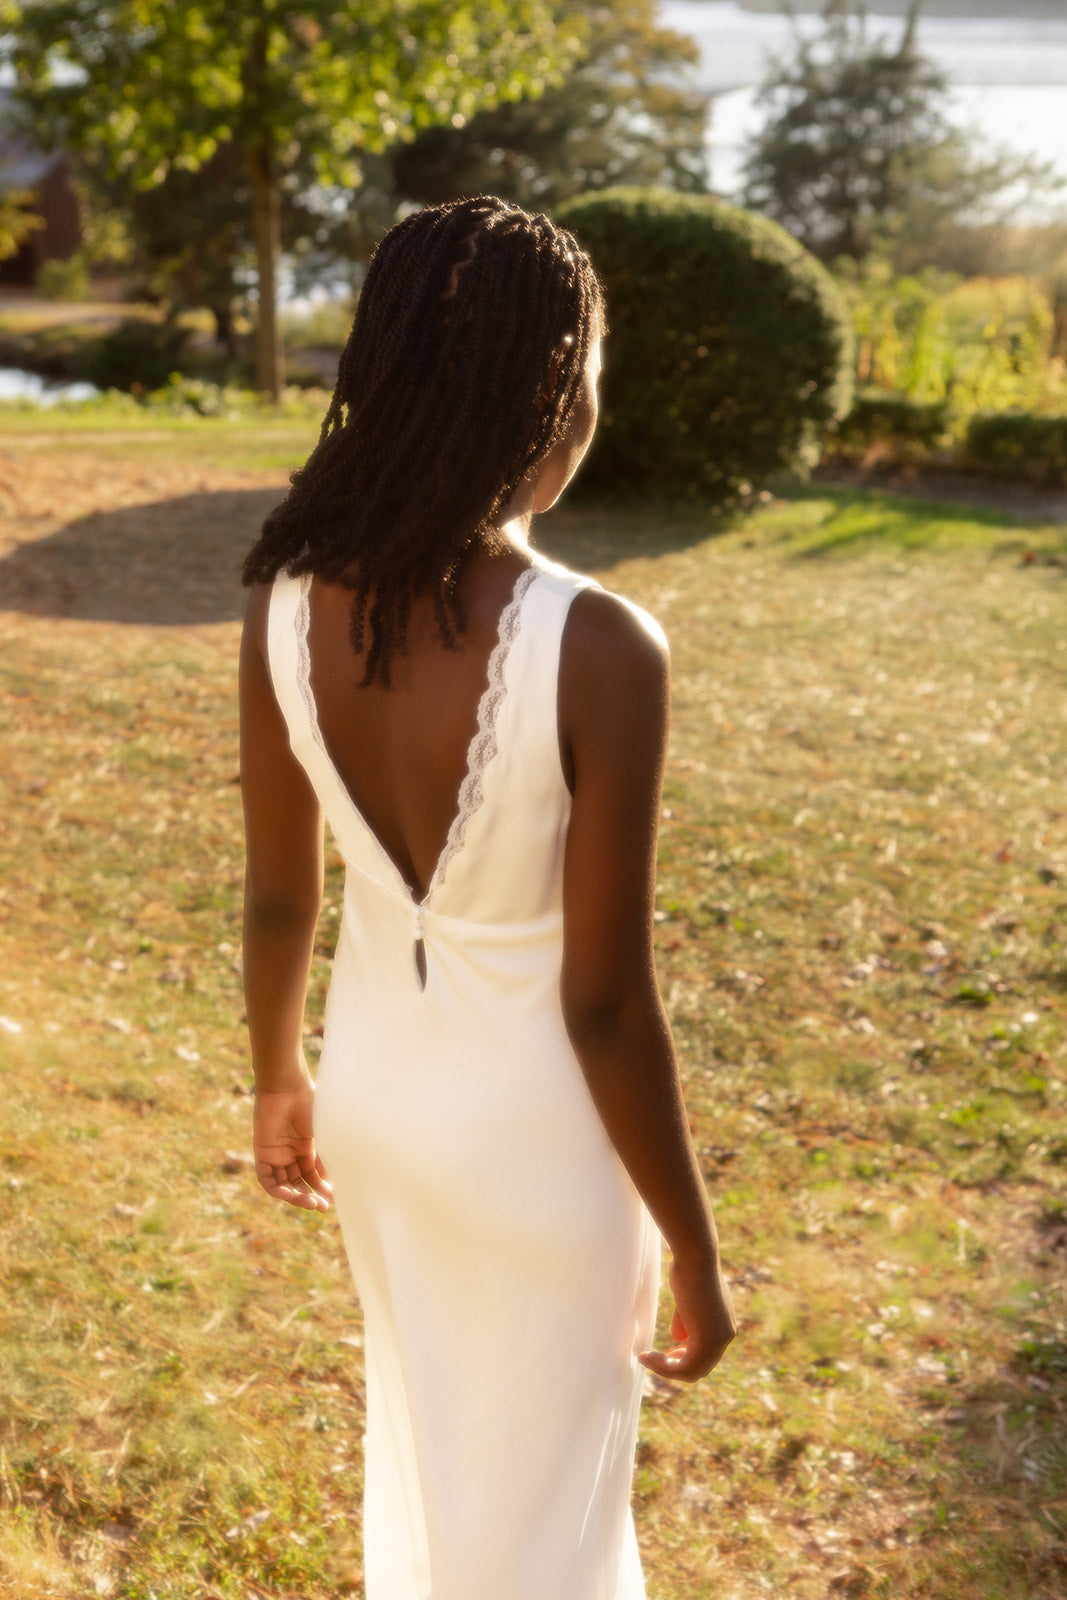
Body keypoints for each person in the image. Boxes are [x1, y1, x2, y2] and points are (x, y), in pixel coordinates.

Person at [238, 194, 736, 1600]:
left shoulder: (280, 596)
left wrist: (279, 1076)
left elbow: (283, 901)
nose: (593, 408)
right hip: (538, 1152)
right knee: (547, 1536)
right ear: (548, 406)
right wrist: (695, 1249)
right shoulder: (603, 645)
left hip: (376, 1113)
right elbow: (605, 1001)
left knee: (438, 1470)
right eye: (588, 379)